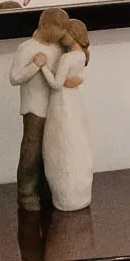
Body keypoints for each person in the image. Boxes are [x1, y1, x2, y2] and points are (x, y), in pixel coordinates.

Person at [8, 8, 71, 211]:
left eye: (62, 31)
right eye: (56, 30)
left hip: (55, 107)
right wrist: (35, 65)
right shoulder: (26, 48)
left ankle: (47, 190)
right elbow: (14, 78)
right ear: (44, 26)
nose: (60, 35)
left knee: (52, 149)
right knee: (32, 150)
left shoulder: (59, 48)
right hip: (34, 108)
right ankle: (27, 193)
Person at [41, 18, 93, 211]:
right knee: (77, 141)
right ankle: (79, 192)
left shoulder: (67, 58)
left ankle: (66, 195)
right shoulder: (81, 57)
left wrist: (43, 66)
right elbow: (77, 76)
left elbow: (55, 84)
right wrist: (77, 79)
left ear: (74, 35)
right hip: (74, 101)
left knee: (61, 143)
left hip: (62, 102)